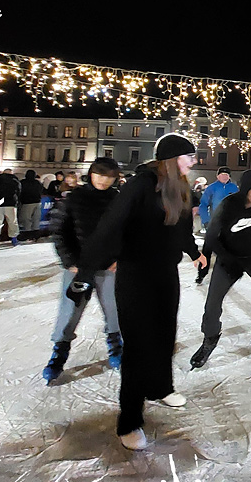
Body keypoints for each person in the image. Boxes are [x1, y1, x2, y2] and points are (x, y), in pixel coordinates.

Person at [71, 133, 207, 451]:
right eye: (188, 156)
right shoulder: (141, 185)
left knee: (164, 334)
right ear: (172, 158)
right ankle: (129, 422)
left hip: (165, 272)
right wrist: (87, 271)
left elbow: (182, 225)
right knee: (138, 346)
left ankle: (161, 387)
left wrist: (193, 251)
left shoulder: (180, 187)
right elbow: (109, 227)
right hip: (136, 274)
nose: (193, 162)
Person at [189, 169, 251, 368]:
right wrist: (206, 262)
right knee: (212, 303)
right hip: (228, 258)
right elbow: (211, 236)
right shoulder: (229, 204)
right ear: (245, 189)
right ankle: (209, 339)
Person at [43, 157, 124, 383]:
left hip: (108, 266)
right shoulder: (74, 199)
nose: (104, 180)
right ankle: (59, 353)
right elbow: (59, 231)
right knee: (70, 310)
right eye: (100, 174)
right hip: (79, 267)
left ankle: (116, 347)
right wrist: (70, 261)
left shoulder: (118, 199)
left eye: (109, 176)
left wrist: (118, 257)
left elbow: (126, 232)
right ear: (91, 173)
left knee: (114, 309)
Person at [195, 168, 238, 283]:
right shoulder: (211, 188)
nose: (225, 177)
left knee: (228, 250)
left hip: (229, 224)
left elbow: (239, 205)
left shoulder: (234, 188)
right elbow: (203, 205)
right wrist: (206, 220)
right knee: (207, 250)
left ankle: (227, 274)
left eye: (227, 175)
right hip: (214, 224)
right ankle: (201, 273)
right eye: (222, 174)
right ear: (217, 176)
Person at [0, 169, 22, 246]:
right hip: (11, 203)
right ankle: (14, 239)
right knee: (12, 221)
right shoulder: (15, 181)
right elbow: (19, 191)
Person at [18, 169, 45, 242]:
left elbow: (20, 191)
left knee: (26, 219)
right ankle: (36, 235)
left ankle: (27, 234)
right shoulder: (37, 182)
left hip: (27, 202)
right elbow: (42, 190)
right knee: (36, 219)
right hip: (37, 202)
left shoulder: (23, 182)